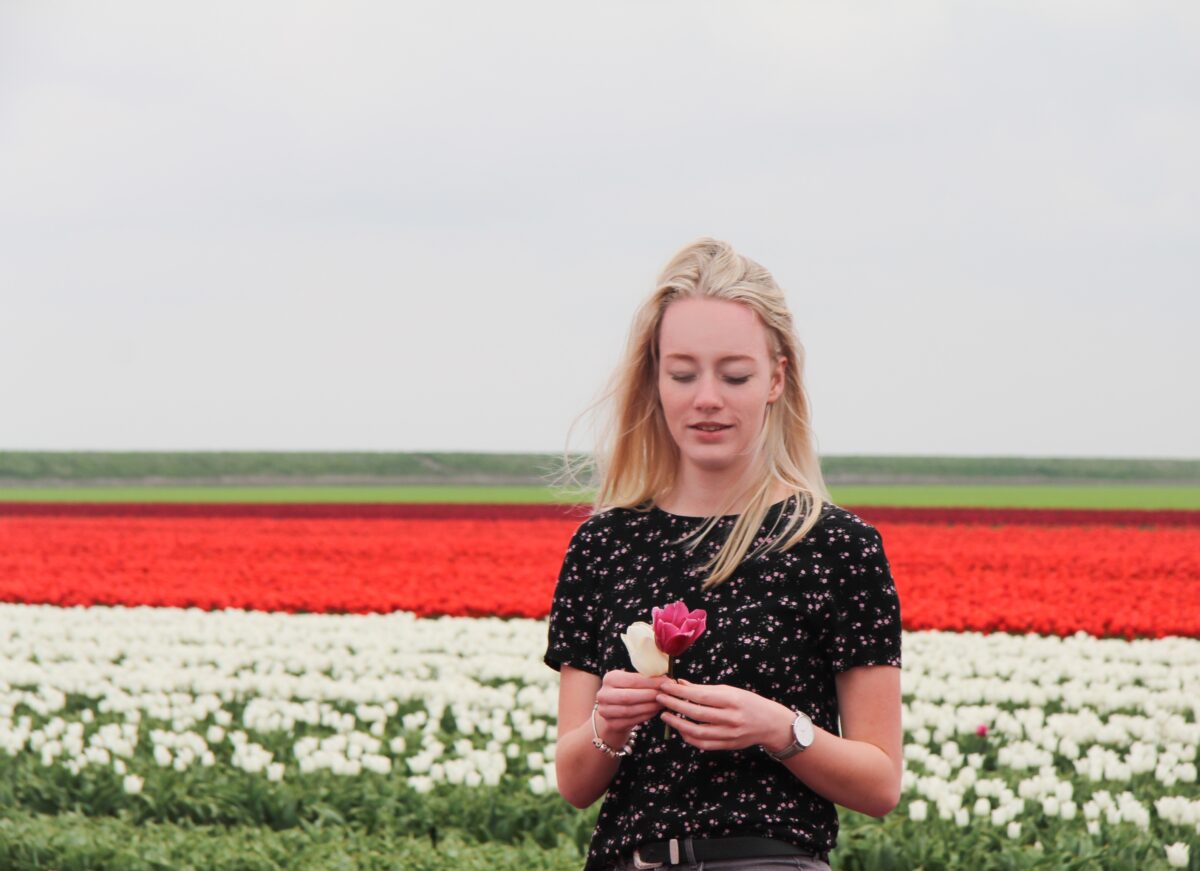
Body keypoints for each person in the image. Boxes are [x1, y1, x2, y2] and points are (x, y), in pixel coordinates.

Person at [543, 237, 903, 871]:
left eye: (734, 374)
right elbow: (575, 784)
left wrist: (776, 728)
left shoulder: (836, 546)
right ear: (654, 381)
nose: (706, 397)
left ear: (776, 378)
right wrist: (610, 724)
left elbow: (880, 784)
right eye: (682, 374)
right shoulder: (604, 546)